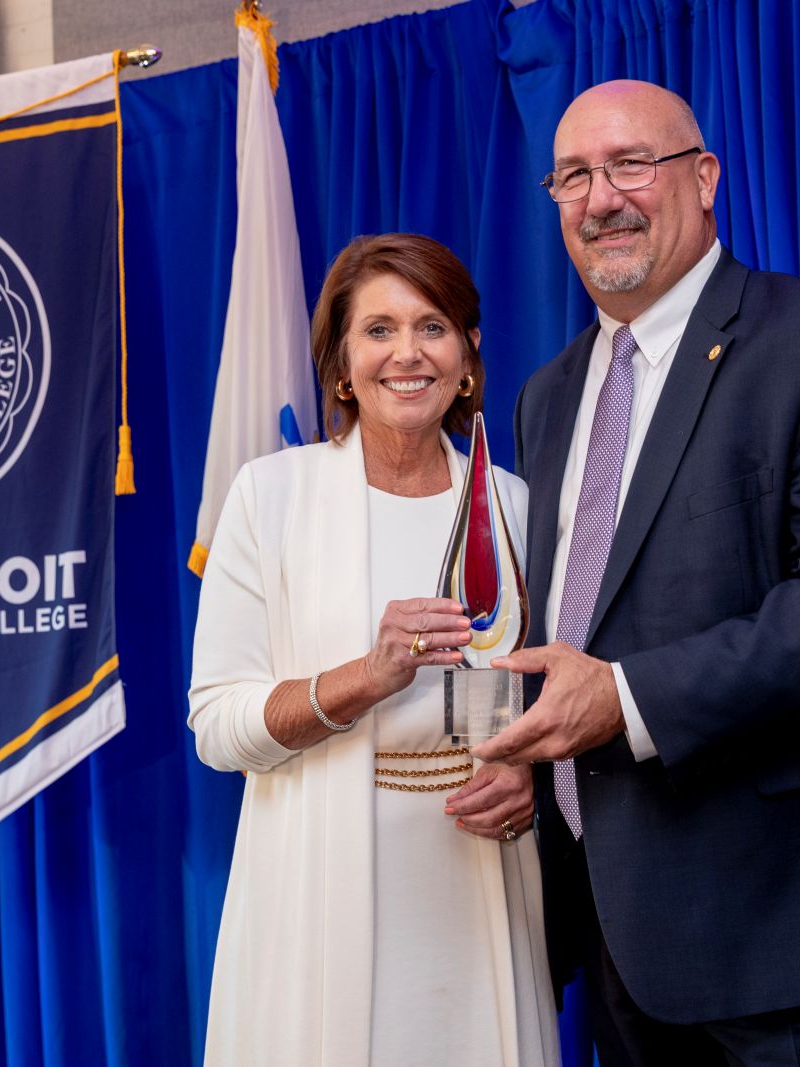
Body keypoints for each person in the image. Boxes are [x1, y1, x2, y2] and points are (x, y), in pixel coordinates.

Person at [472, 80, 800, 1064]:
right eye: (572, 174)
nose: (600, 196)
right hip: (618, 941)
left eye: (629, 165)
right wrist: (528, 751)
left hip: (796, 934)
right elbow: (585, 616)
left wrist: (622, 698)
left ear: (704, 179)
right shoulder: (548, 394)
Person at [189, 233, 561, 1066]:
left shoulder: (512, 503)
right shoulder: (270, 495)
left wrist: (531, 775)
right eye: (379, 330)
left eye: (432, 326)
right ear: (341, 363)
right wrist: (371, 673)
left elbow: (549, 696)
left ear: (467, 354)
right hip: (313, 893)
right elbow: (217, 726)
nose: (407, 353)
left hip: (481, 886)